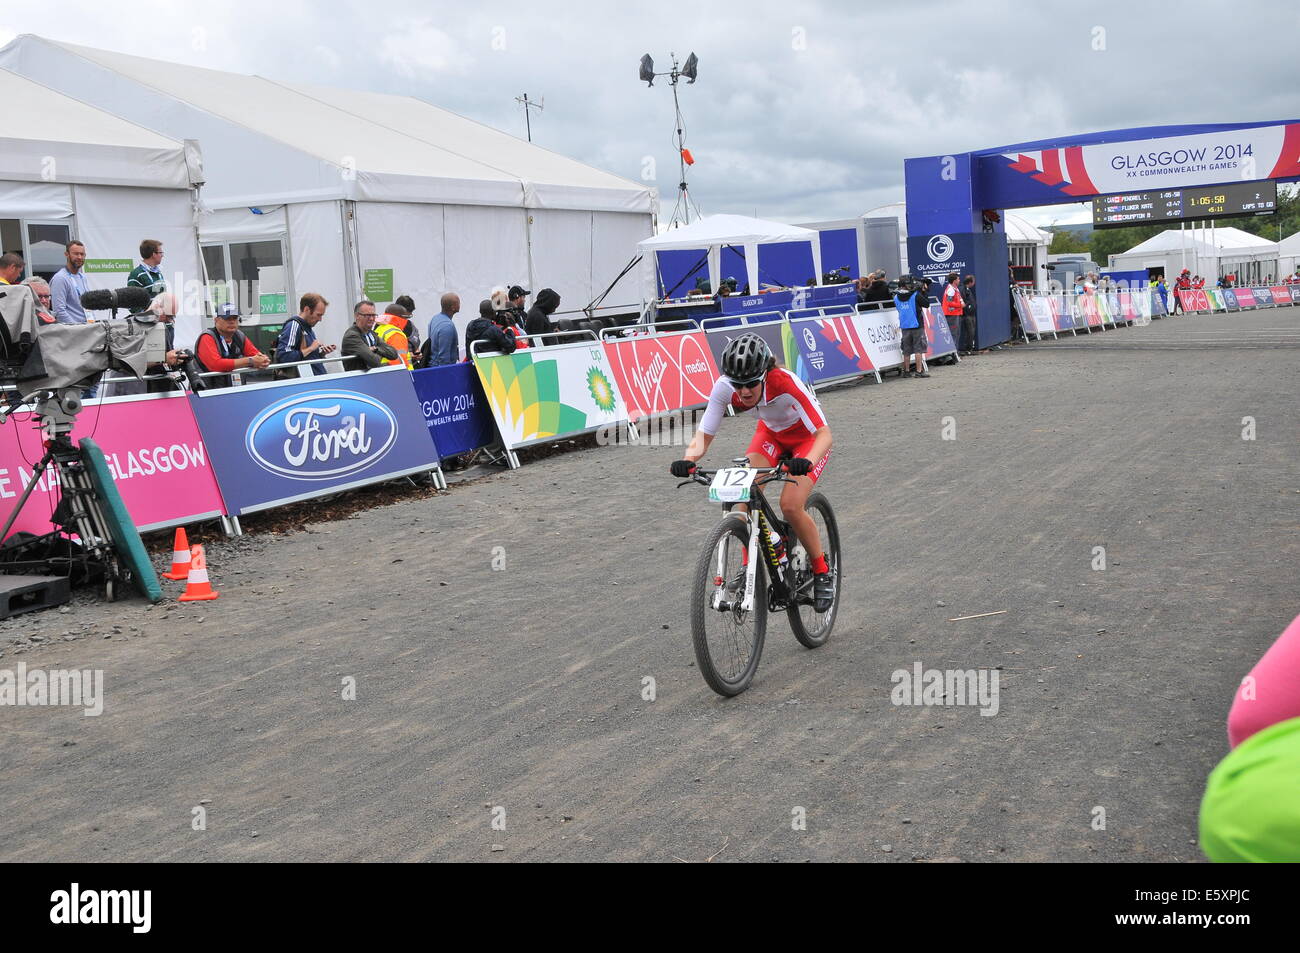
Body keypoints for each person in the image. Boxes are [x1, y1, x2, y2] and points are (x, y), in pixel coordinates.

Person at [668, 333, 835, 613]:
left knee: (791, 505)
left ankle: (821, 570)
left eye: (750, 384)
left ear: (764, 375)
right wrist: (688, 459)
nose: (744, 392)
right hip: (770, 436)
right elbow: (704, 434)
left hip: (807, 441)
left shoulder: (784, 382)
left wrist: (805, 461)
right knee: (741, 497)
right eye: (738, 385)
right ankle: (752, 564)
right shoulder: (724, 387)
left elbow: (824, 435)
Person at [194, 302, 270, 388]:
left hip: (234, 390)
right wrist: (250, 361)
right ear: (216, 320)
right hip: (208, 392)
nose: (232, 322)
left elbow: (256, 356)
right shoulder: (207, 337)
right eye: (227, 318)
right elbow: (216, 365)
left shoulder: (239, 336)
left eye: (235, 318)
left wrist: (263, 360)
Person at [274, 293, 335, 376]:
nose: (320, 319)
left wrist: (321, 353)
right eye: (318, 315)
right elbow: (284, 356)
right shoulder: (294, 325)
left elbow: (306, 357)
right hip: (305, 384)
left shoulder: (307, 328)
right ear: (306, 309)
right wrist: (311, 348)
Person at [341, 300, 399, 370]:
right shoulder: (352, 336)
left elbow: (394, 354)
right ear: (357, 316)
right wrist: (383, 354)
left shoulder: (371, 334)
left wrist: (376, 349)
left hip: (371, 377)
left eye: (373, 315)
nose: (371, 319)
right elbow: (375, 361)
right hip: (358, 379)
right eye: (367, 315)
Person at [144, 292, 183, 393]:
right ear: (157, 307)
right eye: (169, 316)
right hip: (134, 387)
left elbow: (168, 353)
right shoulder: (134, 325)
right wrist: (164, 358)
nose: (171, 320)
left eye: (173, 317)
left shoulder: (164, 327)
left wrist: (177, 358)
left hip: (156, 385)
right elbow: (132, 362)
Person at [894, 275, 929, 378]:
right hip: (917, 325)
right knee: (918, 349)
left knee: (906, 350)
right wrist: (923, 291)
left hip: (904, 325)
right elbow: (926, 304)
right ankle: (918, 371)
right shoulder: (915, 295)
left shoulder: (896, 297)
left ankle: (907, 371)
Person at [50, 240, 88, 325]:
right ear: (66, 254)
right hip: (73, 332)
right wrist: (76, 328)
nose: (79, 257)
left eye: (82, 254)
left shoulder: (82, 277)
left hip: (87, 327)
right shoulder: (60, 278)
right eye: (76, 254)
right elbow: (59, 311)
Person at [424, 293, 460, 367]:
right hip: (440, 369)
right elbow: (444, 357)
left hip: (433, 366)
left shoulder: (435, 318)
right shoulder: (447, 326)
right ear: (453, 307)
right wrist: (445, 374)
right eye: (458, 303)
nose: (460, 304)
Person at [374, 304, 414, 368]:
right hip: (400, 375)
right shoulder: (396, 334)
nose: (406, 321)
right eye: (406, 318)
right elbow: (399, 363)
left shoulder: (380, 328)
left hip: (382, 372)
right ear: (401, 318)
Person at [960, 275, 977, 356]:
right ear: (970, 282)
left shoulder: (968, 290)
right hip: (967, 315)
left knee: (971, 332)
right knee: (970, 332)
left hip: (971, 314)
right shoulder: (963, 289)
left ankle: (970, 348)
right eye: (973, 281)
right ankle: (968, 349)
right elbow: (962, 301)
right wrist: (968, 308)